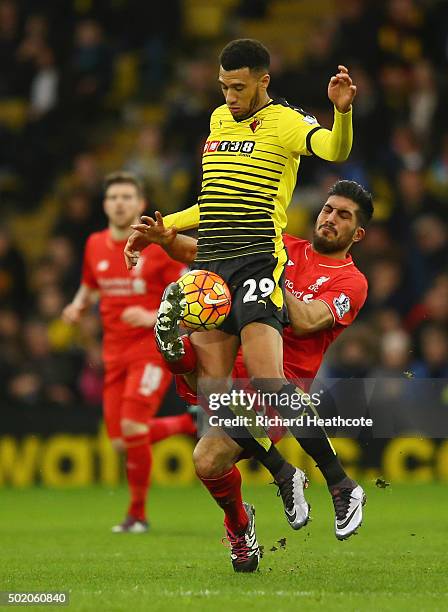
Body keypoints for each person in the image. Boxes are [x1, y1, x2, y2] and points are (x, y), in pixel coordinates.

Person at [125, 179, 372, 571]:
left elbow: (308, 320)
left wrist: (263, 276)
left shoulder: (351, 281)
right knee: (185, 362)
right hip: (233, 359)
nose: (329, 219)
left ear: (357, 233)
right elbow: (204, 253)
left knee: (217, 442)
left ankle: (322, 480)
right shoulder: (284, 246)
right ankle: (242, 526)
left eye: (343, 216)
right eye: (327, 209)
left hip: (280, 381)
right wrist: (164, 238)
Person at [62, 172, 195, 533]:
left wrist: (153, 315)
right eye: (113, 197)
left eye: (126, 197)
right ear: (105, 205)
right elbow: (90, 286)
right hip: (113, 353)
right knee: (121, 440)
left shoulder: (157, 248)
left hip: (150, 350)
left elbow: (193, 291)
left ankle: (137, 515)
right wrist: (77, 307)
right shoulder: (94, 244)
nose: (119, 202)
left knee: (134, 426)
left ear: (139, 204)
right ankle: (189, 423)